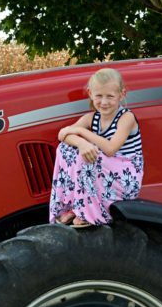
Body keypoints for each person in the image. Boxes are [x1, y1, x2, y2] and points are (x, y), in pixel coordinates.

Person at [49, 68, 144, 227]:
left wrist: (80, 131)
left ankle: (92, 213)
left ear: (122, 95)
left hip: (125, 179)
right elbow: (63, 134)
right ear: (90, 94)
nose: (104, 102)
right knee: (64, 149)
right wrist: (81, 143)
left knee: (85, 157)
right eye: (99, 96)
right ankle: (75, 206)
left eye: (110, 96)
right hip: (106, 173)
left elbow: (110, 149)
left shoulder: (126, 117)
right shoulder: (92, 118)